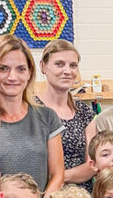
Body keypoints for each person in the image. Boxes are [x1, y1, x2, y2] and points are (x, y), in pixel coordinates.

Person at [0, 35, 64, 198]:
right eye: (3, 68)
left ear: (29, 73)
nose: (13, 77)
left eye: (21, 69)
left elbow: (57, 175)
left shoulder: (47, 117)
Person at [35, 39, 96, 187]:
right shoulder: (31, 110)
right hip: (41, 192)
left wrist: (57, 177)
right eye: (59, 64)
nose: (67, 71)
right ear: (43, 66)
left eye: (73, 65)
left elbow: (92, 165)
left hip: (80, 194)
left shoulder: (85, 113)